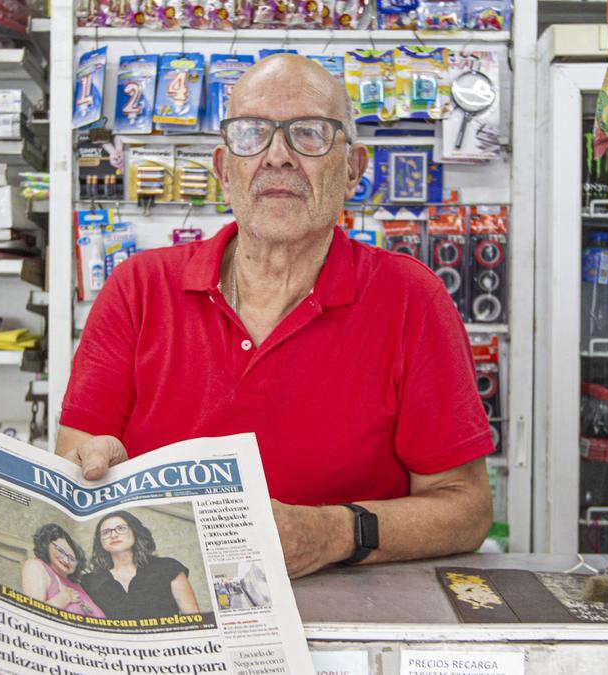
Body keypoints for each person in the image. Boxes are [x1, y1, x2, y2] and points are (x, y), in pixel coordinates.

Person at [57, 54, 493, 578]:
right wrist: (89, 465)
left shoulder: (411, 299)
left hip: (349, 619)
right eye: (252, 134)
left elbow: (465, 509)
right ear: (223, 168)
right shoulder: (137, 289)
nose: (278, 157)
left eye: (309, 133)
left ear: (353, 168)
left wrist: (332, 533)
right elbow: (75, 462)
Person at [80, 511, 200, 620]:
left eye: (121, 528)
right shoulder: (88, 582)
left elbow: (194, 619)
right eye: (106, 532)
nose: (113, 535)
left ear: (135, 532)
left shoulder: (169, 567)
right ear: (100, 542)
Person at [20, 523, 105, 618]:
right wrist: (63, 599)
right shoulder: (36, 566)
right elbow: (32, 615)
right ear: (47, 544)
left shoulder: (77, 586)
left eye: (71, 558)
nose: (66, 560)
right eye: (61, 551)